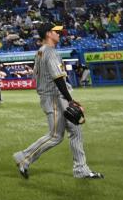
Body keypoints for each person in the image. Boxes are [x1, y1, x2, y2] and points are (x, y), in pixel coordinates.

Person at [13, 23, 103, 180]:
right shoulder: (50, 52)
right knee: (56, 135)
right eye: (56, 32)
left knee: (76, 132)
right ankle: (24, 157)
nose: (59, 34)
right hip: (54, 98)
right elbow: (58, 78)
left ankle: (81, 169)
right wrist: (71, 100)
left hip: (54, 96)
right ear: (48, 34)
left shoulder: (40, 52)